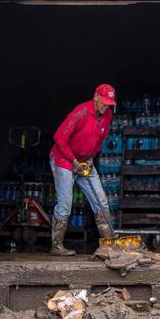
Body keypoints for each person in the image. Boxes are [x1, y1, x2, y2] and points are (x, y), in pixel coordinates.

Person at [49, 83, 117, 256]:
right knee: (65, 204)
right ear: (96, 97)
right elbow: (59, 138)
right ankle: (56, 245)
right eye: (104, 102)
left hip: (85, 162)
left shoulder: (108, 116)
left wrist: (90, 158)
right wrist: (73, 161)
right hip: (64, 160)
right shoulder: (80, 112)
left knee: (101, 201)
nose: (106, 106)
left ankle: (109, 244)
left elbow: (100, 139)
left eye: (110, 103)